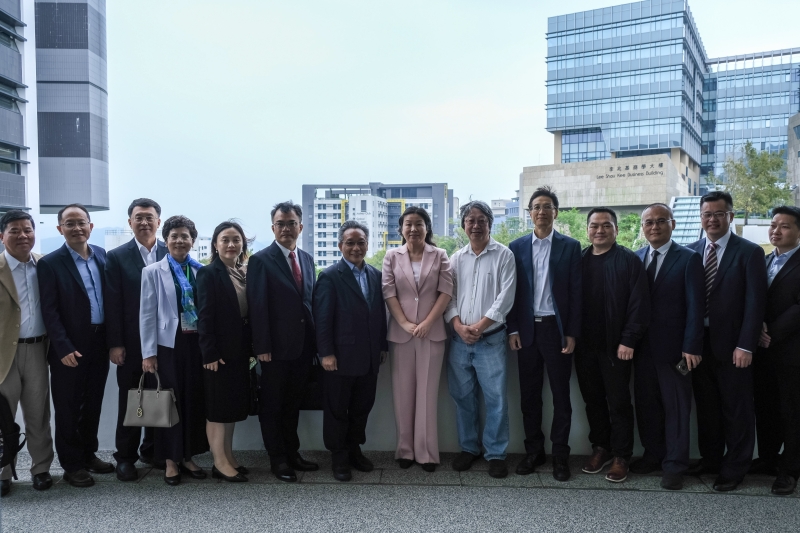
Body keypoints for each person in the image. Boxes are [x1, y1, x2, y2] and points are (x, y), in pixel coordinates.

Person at [685, 191, 766, 492]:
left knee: (737, 409)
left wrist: (746, 345)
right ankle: (711, 460)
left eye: (719, 214)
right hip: (699, 344)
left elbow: (755, 303)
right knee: (707, 407)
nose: (712, 219)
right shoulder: (691, 251)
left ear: (730, 216)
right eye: (707, 214)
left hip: (734, 347)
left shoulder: (749, 252)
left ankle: (735, 467)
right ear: (701, 218)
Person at [507, 187, 581, 482]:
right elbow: (511, 293)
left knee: (561, 397)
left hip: (556, 330)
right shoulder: (516, 247)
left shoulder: (570, 246)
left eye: (547, 206)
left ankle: (560, 455)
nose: (541, 211)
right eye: (536, 207)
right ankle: (534, 452)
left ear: (555, 212)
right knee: (529, 396)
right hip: (525, 331)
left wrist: (572, 333)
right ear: (529, 214)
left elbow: (577, 294)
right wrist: (512, 328)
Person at [37, 204, 114, 487]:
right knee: (68, 405)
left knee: (93, 402)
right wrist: (62, 347)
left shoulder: (102, 256)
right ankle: (71, 464)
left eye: (81, 222)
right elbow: (50, 310)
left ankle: (88, 454)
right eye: (69, 223)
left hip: (99, 342)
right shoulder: (50, 263)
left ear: (91, 226)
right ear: (60, 229)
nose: (76, 228)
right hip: (69, 347)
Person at [632, 203, 704, 490]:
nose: (654, 226)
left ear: (672, 224)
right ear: (643, 227)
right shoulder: (636, 257)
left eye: (661, 221)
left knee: (676, 407)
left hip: (676, 349)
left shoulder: (689, 259)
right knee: (647, 404)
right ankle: (653, 455)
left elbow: (695, 308)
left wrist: (692, 345)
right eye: (648, 222)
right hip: (641, 348)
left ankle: (675, 465)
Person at [575, 207, 650, 484]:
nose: (600, 230)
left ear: (616, 230)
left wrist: (628, 339)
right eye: (594, 226)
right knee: (592, 400)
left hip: (616, 347)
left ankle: (621, 456)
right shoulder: (580, 259)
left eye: (606, 226)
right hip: (584, 346)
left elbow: (639, 305)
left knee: (618, 403)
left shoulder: (629, 261)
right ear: (587, 230)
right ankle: (601, 447)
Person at [247, 202, 319, 482]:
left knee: (293, 405)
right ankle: (277, 459)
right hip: (273, 350)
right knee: (273, 406)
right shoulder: (261, 260)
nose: (286, 228)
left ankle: (293, 453)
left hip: (303, 348)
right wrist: (261, 347)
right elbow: (257, 306)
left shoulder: (307, 259)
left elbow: (309, 304)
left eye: (291, 223)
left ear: (300, 227)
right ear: (273, 228)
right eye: (280, 224)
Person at [445, 201, 517, 479]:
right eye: (470, 220)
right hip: (459, 340)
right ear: (463, 225)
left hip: (490, 340)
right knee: (462, 397)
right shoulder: (455, 258)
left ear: (490, 223)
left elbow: (506, 297)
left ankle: (496, 453)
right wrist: (459, 326)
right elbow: (448, 297)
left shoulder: (504, 255)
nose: (475, 225)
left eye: (481, 220)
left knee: (496, 398)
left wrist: (479, 326)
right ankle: (469, 448)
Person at [313, 221, 388, 482]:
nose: (356, 248)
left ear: (368, 245)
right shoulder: (330, 276)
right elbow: (322, 319)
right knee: (337, 409)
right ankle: (339, 456)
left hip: (368, 357)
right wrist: (326, 353)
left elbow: (379, 315)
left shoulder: (375, 275)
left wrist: (381, 346)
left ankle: (355, 449)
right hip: (340, 358)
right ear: (340, 246)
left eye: (361, 243)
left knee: (362, 406)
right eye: (350, 243)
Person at [140, 215, 209, 485]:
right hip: (168, 346)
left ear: (193, 240)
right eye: (174, 236)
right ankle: (170, 459)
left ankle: (188, 456)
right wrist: (148, 353)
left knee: (193, 399)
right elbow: (146, 315)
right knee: (170, 401)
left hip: (196, 344)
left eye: (185, 236)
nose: (180, 240)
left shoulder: (201, 271)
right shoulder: (153, 271)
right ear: (165, 240)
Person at [382, 207, 452, 472]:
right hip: (402, 334)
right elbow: (388, 292)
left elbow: (446, 292)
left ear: (427, 228)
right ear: (401, 229)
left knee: (427, 394)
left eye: (419, 224)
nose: (413, 229)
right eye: (408, 224)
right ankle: (405, 450)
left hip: (431, 333)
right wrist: (406, 323)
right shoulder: (391, 256)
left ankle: (427, 453)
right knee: (402, 393)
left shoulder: (440, 255)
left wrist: (426, 323)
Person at [104, 198, 167, 481]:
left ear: (159, 222)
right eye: (138, 217)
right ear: (129, 222)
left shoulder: (171, 251)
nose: (144, 222)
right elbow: (112, 303)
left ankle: (152, 450)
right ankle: (125, 457)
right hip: (130, 344)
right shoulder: (116, 257)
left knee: (159, 395)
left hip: (165, 342)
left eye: (149, 217)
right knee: (131, 399)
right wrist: (115, 343)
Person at [0, 210, 54, 497]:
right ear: (2, 236)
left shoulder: (43, 265)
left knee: (38, 414)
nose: (23, 235)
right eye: (14, 231)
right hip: (2, 356)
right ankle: (3, 472)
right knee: (2, 417)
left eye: (28, 230)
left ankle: (41, 468)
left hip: (37, 350)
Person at [197, 221, 252, 483]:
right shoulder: (209, 274)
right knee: (218, 408)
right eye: (225, 240)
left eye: (236, 240)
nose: (231, 245)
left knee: (230, 406)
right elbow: (204, 317)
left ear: (243, 243)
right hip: (217, 353)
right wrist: (208, 353)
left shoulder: (242, 270)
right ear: (215, 245)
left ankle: (228, 457)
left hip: (239, 350)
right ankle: (218, 462)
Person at [755, 206, 800, 495]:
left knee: (792, 410)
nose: (776, 231)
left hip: (791, 350)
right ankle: (768, 459)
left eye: (784, 226)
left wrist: (772, 331)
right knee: (766, 407)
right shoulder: (765, 259)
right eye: (773, 225)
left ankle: (790, 469)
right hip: (761, 349)